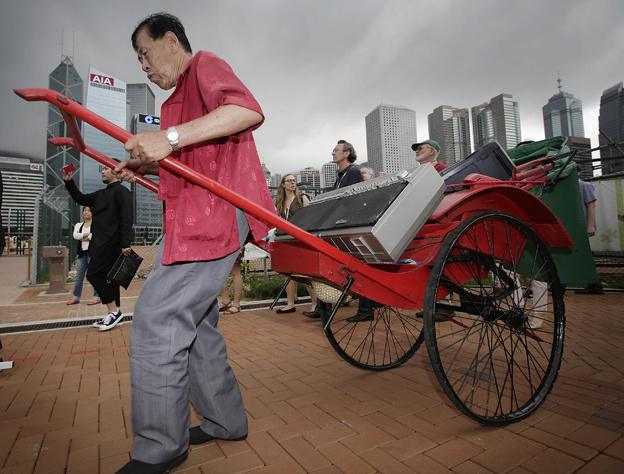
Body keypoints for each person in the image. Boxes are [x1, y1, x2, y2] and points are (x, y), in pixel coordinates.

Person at [115, 13, 275, 473]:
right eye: (138, 60)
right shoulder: (175, 104)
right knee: (197, 325)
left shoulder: (204, 65)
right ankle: (226, 421)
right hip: (191, 220)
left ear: (170, 40)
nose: (143, 66)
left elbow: (246, 110)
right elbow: (187, 159)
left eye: (145, 53)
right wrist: (139, 166)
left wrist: (167, 139)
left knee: (157, 315)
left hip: (216, 216)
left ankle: (160, 445)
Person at [302, 140, 378, 322]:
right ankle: (322, 307)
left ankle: (366, 311)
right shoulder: (341, 175)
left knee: (358, 267)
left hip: (349, 227)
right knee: (332, 263)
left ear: (346, 153)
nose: (332, 153)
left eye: (336, 150)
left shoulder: (353, 172)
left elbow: (357, 199)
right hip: (340, 225)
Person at [63, 166, 133, 331]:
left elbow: (127, 218)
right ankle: (115, 313)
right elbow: (80, 198)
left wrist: (125, 243)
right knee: (110, 279)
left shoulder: (123, 192)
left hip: (113, 243)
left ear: (117, 172)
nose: (102, 171)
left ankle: (114, 312)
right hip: (99, 243)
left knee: (94, 274)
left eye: (106, 169)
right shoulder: (100, 194)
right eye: (101, 169)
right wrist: (69, 182)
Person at [274, 174, 317, 313]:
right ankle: (290, 303)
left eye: (294, 180)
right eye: (289, 181)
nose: (292, 183)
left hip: (301, 239)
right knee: (288, 273)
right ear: (283, 184)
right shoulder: (279, 202)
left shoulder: (302, 197)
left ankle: (316, 304)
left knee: (304, 273)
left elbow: (311, 217)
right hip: (286, 239)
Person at [66, 206, 101, 306]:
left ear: (92, 213)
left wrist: (83, 236)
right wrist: (88, 235)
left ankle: (96, 297)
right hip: (82, 254)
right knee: (79, 277)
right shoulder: (78, 225)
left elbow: (93, 236)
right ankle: (76, 297)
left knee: (94, 276)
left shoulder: (96, 225)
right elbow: (75, 236)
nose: (86, 212)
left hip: (93, 254)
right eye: (85, 210)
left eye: (89, 210)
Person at [575, 175, 604, 294]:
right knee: (581, 254)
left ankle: (594, 284)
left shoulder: (585, 185)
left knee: (583, 254)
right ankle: (594, 284)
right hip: (576, 226)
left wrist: (590, 226)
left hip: (583, 226)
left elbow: (591, 206)